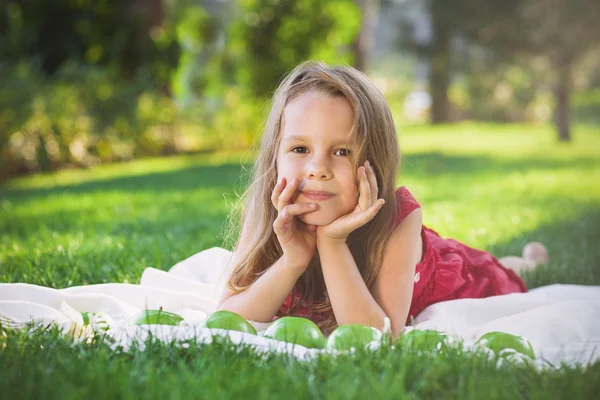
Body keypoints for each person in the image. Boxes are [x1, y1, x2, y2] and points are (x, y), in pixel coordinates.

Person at [216, 61, 544, 339]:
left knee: (504, 273)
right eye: (300, 149)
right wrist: (293, 261)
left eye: (342, 151)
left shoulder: (398, 218)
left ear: (374, 162)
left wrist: (332, 243)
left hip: (457, 275)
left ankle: (528, 262)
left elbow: (378, 337)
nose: (317, 169)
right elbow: (226, 320)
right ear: (275, 156)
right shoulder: (265, 210)